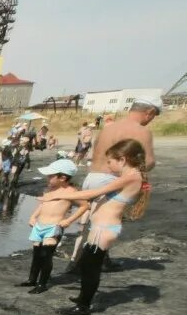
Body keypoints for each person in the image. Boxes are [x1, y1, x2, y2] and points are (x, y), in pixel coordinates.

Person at [42, 139, 150, 315]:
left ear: (122, 159)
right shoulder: (132, 176)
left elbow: (94, 193)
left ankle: (83, 306)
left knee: (90, 267)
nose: (108, 166)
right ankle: (84, 296)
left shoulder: (131, 177)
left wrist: (58, 196)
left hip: (104, 229)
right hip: (102, 227)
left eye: (110, 161)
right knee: (87, 264)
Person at [68, 97, 160, 272]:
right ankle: (87, 262)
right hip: (111, 179)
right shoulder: (141, 131)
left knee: (89, 221)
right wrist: (135, 177)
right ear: (149, 112)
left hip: (91, 177)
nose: (151, 120)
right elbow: (148, 161)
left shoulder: (108, 128)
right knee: (106, 221)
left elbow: (95, 153)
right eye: (153, 116)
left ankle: (81, 260)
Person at [16, 159, 87, 294]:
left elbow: (85, 206)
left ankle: (42, 284)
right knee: (36, 254)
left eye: (50, 176)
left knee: (46, 255)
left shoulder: (71, 192)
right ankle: (32, 279)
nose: (47, 178)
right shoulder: (48, 189)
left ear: (63, 178)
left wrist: (69, 220)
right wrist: (33, 216)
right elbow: (43, 204)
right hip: (39, 225)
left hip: (54, 227)